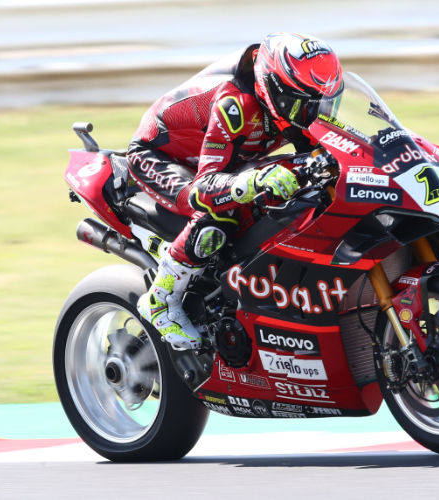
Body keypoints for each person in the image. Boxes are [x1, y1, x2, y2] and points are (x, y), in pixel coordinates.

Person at [127, 33, 343, 349]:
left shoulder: (289, 99)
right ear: (275, 92)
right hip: (161, 156)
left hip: (230, 156)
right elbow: (206, 185)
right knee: (220, 209)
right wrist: (251, 183)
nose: (315, 115)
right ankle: (162, 298)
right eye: (304, 106)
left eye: (326, 103)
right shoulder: (235, 105)